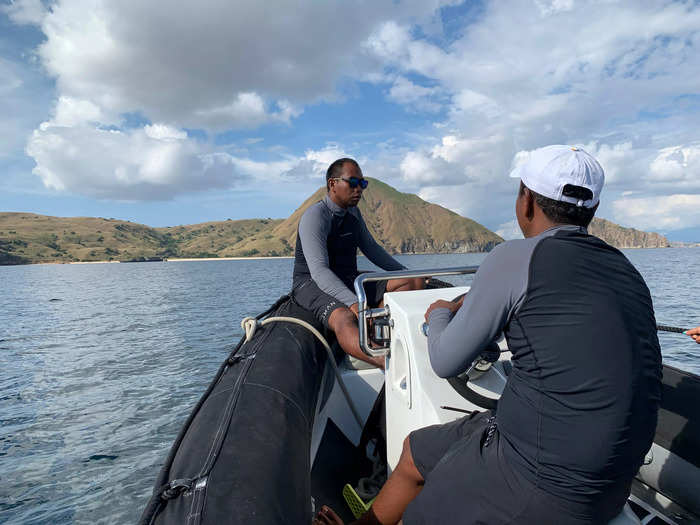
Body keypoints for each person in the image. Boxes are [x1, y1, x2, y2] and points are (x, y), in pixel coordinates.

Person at [313, 145, 663, 525]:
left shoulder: (515, 257)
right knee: (415, 451)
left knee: (421, 515)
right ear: (591, 209)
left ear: (526, 201)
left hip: (539, 480)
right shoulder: (627, 270)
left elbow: (446, 361)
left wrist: (440, 316)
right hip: (608, 480)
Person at [292, 158, 423, 369]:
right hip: (310, 282)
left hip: (347, 276)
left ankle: (387, 338)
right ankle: (388, 364)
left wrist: (405, 272)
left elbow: (372, 249)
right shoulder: (315, 216)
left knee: (410, 281)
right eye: (353, 182)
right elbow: (319, 271)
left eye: (363, 184)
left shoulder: (353, 213)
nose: (359, 189)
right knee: (344, 316)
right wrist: (356, 304)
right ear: (332, 184)